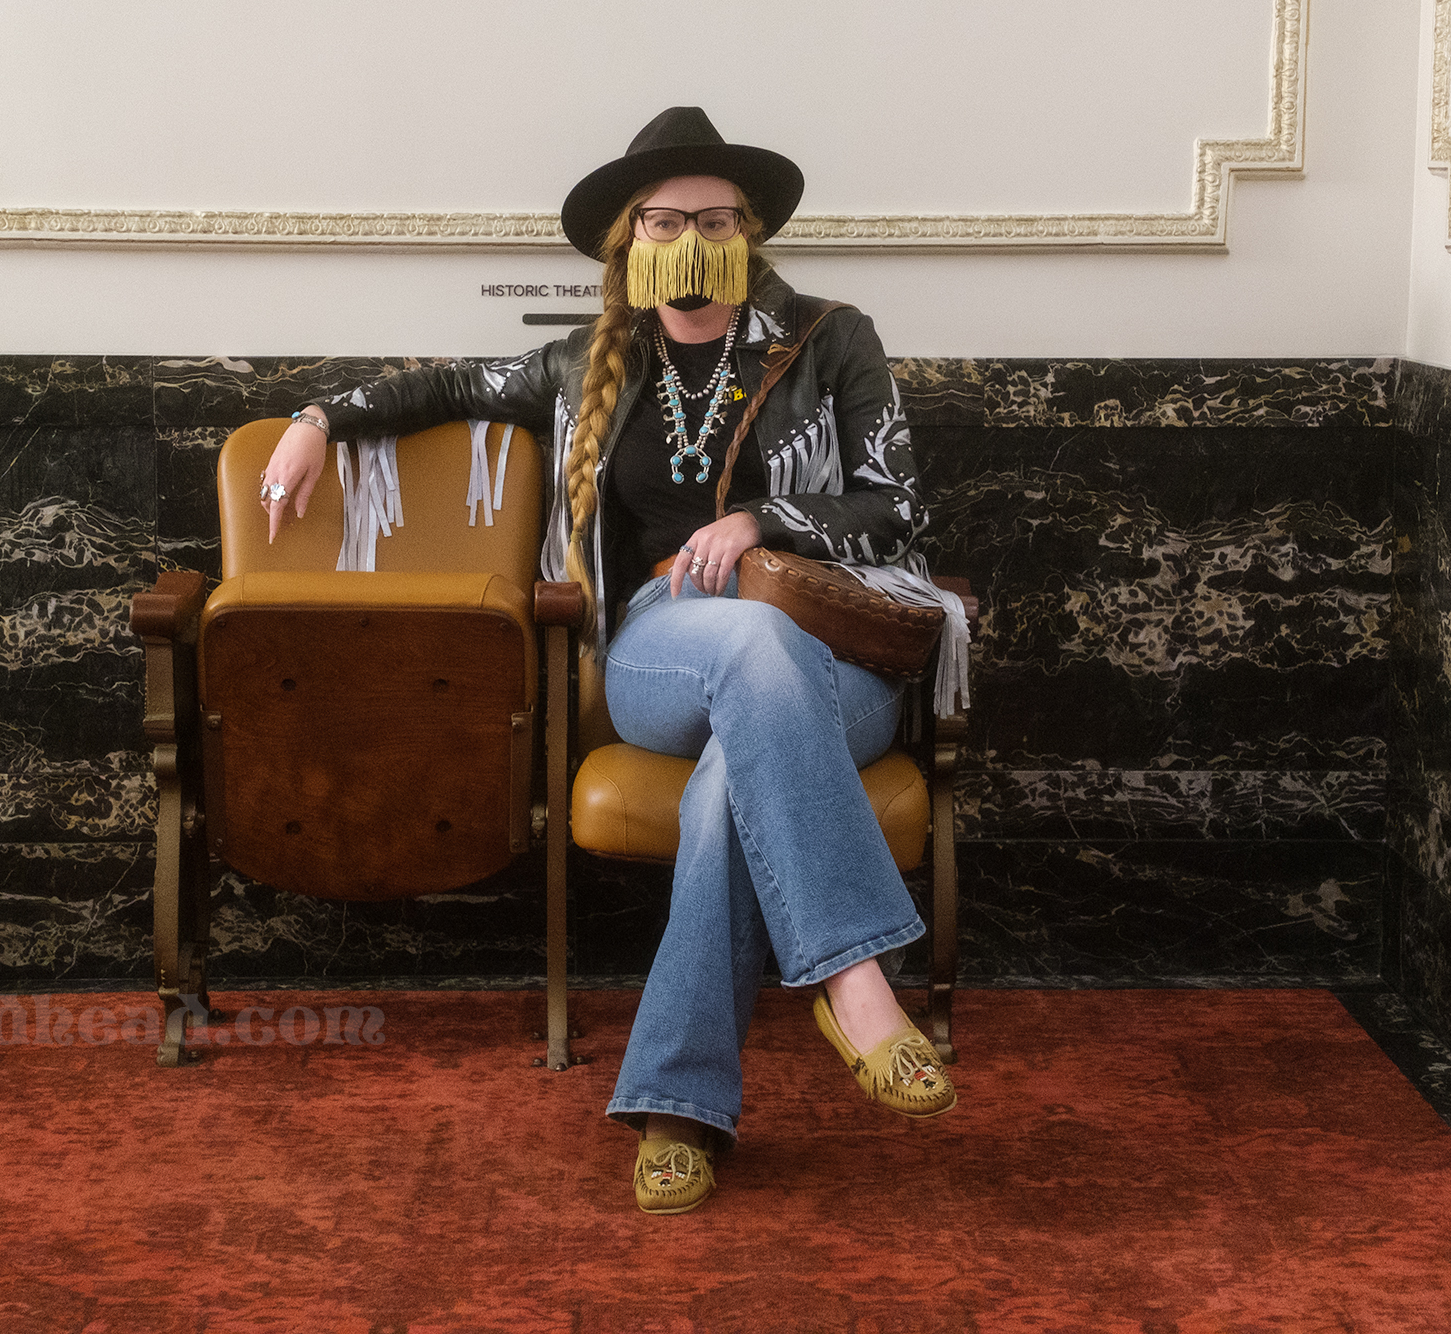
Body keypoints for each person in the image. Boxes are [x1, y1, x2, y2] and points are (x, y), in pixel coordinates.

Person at [258, 106, 955, 1215]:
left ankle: (678, 1104)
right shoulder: (586, 360)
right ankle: (855, 978)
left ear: (749, 231)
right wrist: (314, 417)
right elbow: (443, 390)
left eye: (715, 216)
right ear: (630, 240)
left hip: (833, 663)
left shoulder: (833, 338)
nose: (690, 232)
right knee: (744, 651)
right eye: (665, 217)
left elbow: (897, 502)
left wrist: (762, 522)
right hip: (660, 650)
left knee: (743, 764)